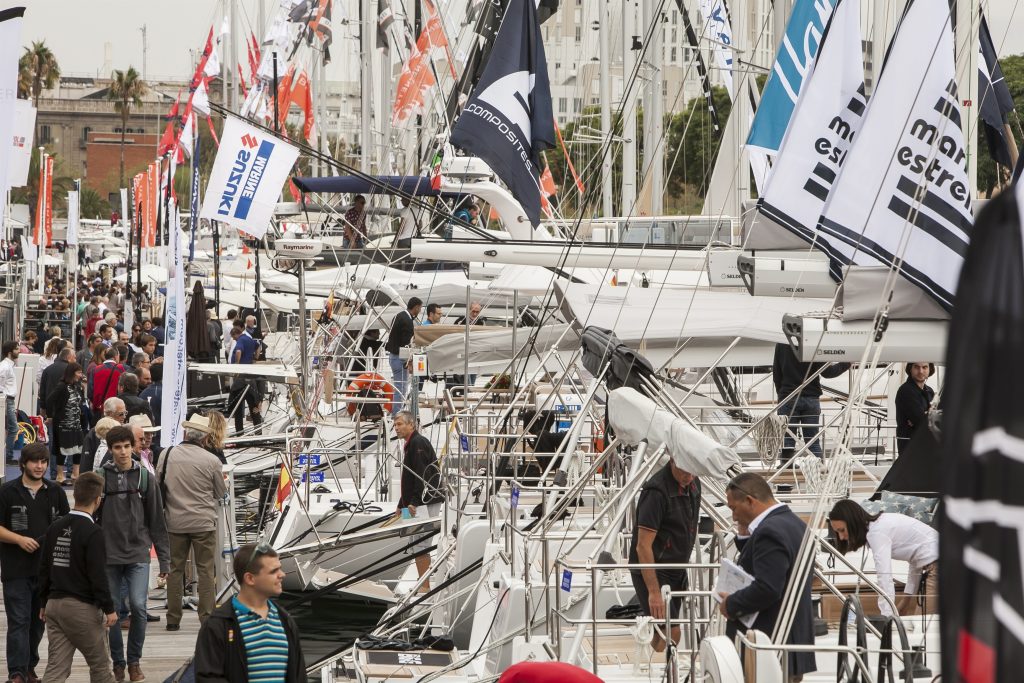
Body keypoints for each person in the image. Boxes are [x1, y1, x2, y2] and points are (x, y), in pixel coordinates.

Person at [719, 473, 816, 681]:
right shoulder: (796, 525)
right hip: (791, 643)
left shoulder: (769, 531)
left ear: (749, 501)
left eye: (734, 508)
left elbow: (768, 588)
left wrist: (731, 604)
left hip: (770, 647)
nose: (734, 517)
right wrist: (745, 535)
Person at [96, 425, 170, 682]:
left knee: (139, 606)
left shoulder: (145, 478)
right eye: (117, 447)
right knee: (113, 611)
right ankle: (118, 662)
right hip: (109, 555)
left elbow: (157, 521)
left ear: (133, 447)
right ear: (110, 449)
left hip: (138, 552)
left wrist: (164, 560)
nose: (123, 452)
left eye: (127, 446)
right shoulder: (100, 478)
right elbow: (89, 519)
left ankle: (134, 661)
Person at [0, 443, 70, 683]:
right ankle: (17, 673)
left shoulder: (56, 491)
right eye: (34, 461)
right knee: (18, 622)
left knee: (37, 624)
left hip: (47, 571)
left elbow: (67, 526)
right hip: (16, 569)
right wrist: (19, 539)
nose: (39, 466)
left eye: (43, 462)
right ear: (23, 464)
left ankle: (29, 667)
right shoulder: (7, 491)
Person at [38, 472, 117, 683]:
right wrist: (109, 608)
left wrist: (43, 602)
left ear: (75, 495)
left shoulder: (54, 527)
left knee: (56, 668)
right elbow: (97, 575)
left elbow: (44, 568)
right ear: (98, 500)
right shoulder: (93, 532)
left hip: (54, 605)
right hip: (81, 608)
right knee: (101, 667)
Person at [194, 543, 306, 682]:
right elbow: (207, 677)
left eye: (280, 569)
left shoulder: (285, 621)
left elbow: (299, 676)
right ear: (250, 579)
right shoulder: (217, 625)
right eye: (274, 571)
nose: (282, 575)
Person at [161, 412, 227, 631]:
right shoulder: (212, 460)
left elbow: (158, 482)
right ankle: (206, 618)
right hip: (203, 521)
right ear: (205, 438)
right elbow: (220, 492)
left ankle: (173, 618)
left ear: (185, 433)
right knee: (206, 570)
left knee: (175, 569)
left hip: (175, 521)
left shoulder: (167, 455)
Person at [628, 459, 701, 652]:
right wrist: (653, 592)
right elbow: (642, 546)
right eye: (685, 471)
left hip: (677, 569)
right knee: (672, 631)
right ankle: (661, 665)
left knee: (666, 631)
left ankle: (649, 650)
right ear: (673, 460)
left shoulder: (694, 483)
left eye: (693, 471)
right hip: (655, 568)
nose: (689, 476)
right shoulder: (656, 492)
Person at [828, 499, 939, 617]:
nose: (841, 537)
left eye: (842, 530)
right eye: (837, 532)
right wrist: (905, 601)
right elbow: (916, 562)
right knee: (922, 622)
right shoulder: (878, 525)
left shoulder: (876, 533)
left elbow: (884, 577)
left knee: (921, 623)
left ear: (853, 522)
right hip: (941, 562)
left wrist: (887, 617)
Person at [772, 343, 849, 461]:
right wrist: (847, 363)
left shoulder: (781, 343)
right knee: (812, 442)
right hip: (811, 398)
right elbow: (828, 372)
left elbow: (776, 373)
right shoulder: (813, 341)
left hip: (788, 397)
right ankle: (819, 468)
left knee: (787, 442)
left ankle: (786, 468)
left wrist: (782, 396)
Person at [394, 411, 443, 588]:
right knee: (414, 541)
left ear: (411, 425)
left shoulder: (418, 443)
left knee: (420, 543)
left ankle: (425, 585)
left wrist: (413, 502)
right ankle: (422, 581)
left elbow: (422, 475)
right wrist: (401, 505)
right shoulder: (410, 444)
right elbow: (409, 479)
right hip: (413, 503)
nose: (396, 428)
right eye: (395, 425)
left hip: (423, 502)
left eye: (400, 424)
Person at [46, 362, 88, 485]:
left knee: (78, 448)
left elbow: (81, 403)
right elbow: (49, 400)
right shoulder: (62, 386)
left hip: (76, 423)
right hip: (63, 424)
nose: (81, 375)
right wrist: (50, 416)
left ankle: (75, 474)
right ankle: (60, 476)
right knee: (62, 449)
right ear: (72, 373)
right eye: (79, 372)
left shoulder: (78, 386)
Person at [385, 298, 421, 416]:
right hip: (399, 358)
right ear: (416, 307)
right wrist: (409, 361)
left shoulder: (398, 316)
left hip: (392, 356)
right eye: (420, 308)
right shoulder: (407, 321)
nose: (420, 311)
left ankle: (396, 412)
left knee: (399, 386)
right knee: (401, 387)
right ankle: (397, 414)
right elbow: (407, 343)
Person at [894, 362, 935, 455]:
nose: (921, 371)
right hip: (910, 447)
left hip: (926, 446)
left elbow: (933, 418)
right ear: (910, 369)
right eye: (916, 367)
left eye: (924, 367)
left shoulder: (929, 391)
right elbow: (920, 420)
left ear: (930, 369)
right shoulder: (905, 390)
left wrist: (926, 416)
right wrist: (927, 416)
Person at [1, 341, 20, 463]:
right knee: (13, 428)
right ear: (9, 352)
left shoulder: (9, 365)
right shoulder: (4, 366)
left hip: (9, 400)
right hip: (7, 400)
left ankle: (7, 456)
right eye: (16, 349)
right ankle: (7, 457)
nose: (19, 351)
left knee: (11, 428)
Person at [91, 347, 124, 414]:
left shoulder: (96, 369)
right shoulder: (120, 368)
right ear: (116, 356)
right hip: (114, 407)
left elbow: (91, 389)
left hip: (99, 407)